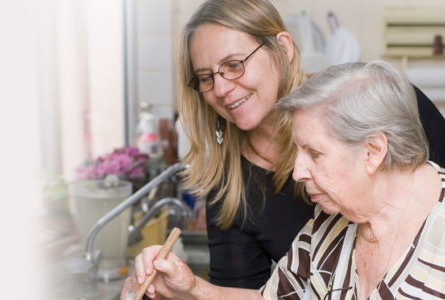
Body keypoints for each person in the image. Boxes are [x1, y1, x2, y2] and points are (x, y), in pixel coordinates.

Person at [142, 0, 445, 291]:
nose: (220, 89)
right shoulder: (231, 189)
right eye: (205, 77)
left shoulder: (374, 103)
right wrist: (191, 289)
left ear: (283, 48)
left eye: (234, 65)